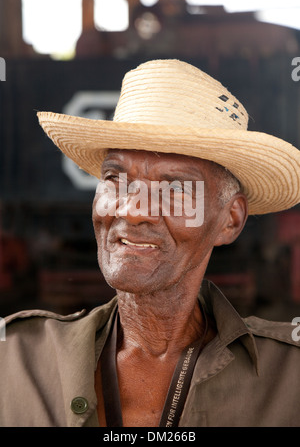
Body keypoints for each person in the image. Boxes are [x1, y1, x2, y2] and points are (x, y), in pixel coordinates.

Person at [1, 59, 300, 427]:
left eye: (173, 188)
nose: (133, 209)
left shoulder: (290, 378)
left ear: (230, 220)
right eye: (115, 177)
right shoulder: (14, 361)